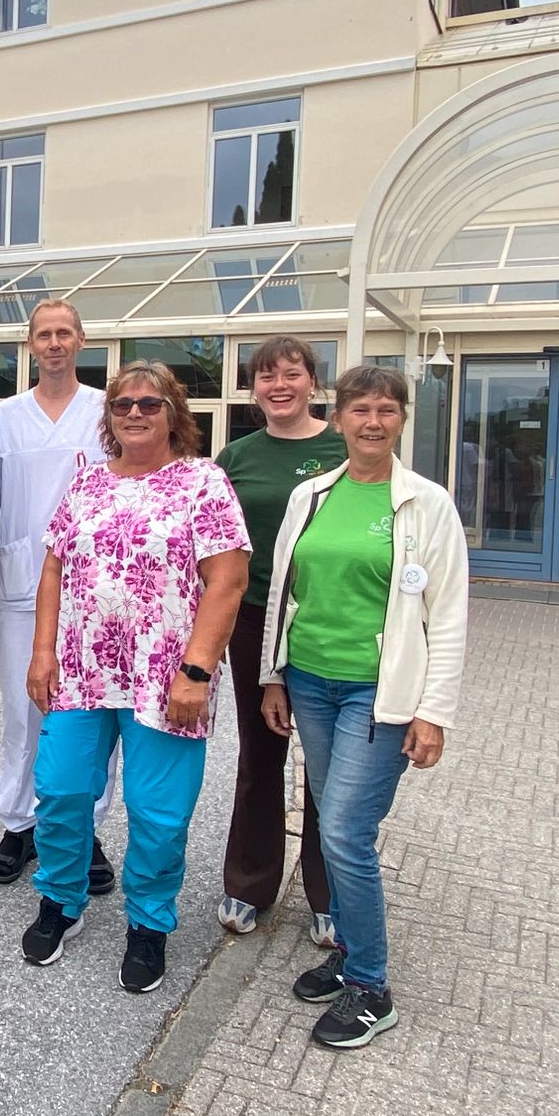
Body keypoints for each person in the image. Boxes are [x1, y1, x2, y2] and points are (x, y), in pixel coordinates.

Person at [259, 365, 469, 1050]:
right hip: (312, 683)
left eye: (386, 410)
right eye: (361, 410)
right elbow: (286, 593)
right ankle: (349, 953)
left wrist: (433, 712)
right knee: (328, 820)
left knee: (346, 829)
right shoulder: (312, 495)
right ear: (340, 417)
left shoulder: (426, 505)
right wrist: (273, 676)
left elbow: (451, 615)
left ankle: (372, 986)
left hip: (380, 696)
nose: (373, 422)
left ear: (402, 420)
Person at [23, 361, 249, 993]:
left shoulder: (204, 482)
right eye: (123, 405)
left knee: (159, 814)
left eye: (150, 404)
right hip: (81, 673)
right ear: (110, 416)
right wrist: (43, 652)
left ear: (174, 413)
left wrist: (197, 671)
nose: (135, 414)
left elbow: (227, 581)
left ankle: (149, 924)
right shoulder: (88, 484)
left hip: (167, 679)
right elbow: (53, 570)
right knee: (62, 791)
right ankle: (61, 902)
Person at [0, 299, 116, 895]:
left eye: (64, 333)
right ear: (30, 345)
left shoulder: (109, 411)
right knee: (21, 711)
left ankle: (85, 830)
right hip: (19, 580)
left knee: (88, 714)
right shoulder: (5, 418)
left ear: (82, 341)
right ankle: (20, 823)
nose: (54, 343)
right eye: (43, 335)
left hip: (95, 590)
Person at [214, 337, 341, 945]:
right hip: (252, 615)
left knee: (327, 758)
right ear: (253, 388)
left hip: (324, 620)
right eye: (267, 377)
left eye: (292, 374)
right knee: (260, 752)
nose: (279, 385)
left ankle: (329, 890)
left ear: (313, 382)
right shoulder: (236, 456)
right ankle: (249, 881)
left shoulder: (344, 450)